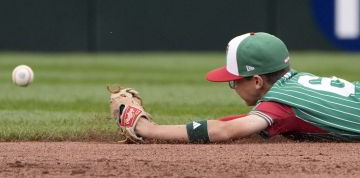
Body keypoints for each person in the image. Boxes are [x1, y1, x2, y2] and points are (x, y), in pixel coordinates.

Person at [110, 32, 360, 143]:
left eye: (234, 80)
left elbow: (225, 130)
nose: (232, 87)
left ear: (258, 81)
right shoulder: (297, 81)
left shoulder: (280, 105)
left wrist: (148, 129)